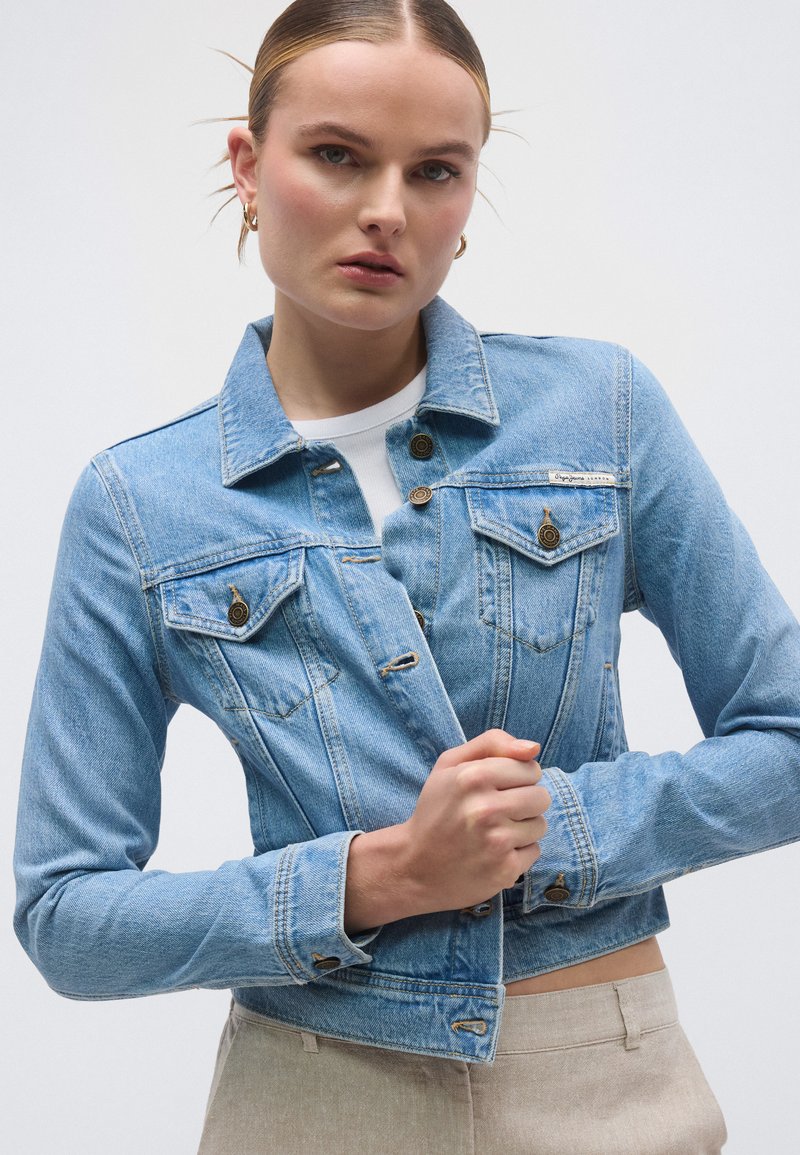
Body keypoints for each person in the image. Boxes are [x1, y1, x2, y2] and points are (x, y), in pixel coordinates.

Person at [11, 1, 800, 1151]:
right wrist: (377, 878)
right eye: (337, 155)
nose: (386, 208)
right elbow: (67, 916)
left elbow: (786, 736)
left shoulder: (600, 411)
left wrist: (548, 831)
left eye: (434, 170)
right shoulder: (140, 502)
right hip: (314, 1094)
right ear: (248, 165)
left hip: (597, 1076)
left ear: (467, 195)